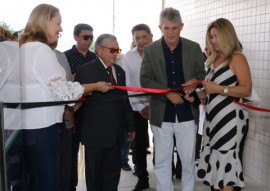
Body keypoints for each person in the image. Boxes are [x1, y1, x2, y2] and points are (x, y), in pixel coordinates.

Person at [19, 4, 111, 191]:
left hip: (31, 127)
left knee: (37, 180)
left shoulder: (25, 48)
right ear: (44, 21)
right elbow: (66, 93)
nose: (61, 28)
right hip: (44, 128)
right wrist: (95, 86)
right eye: (58, 23)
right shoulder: (41, 50)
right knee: (50, 181)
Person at [140, 7, 206, 191]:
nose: (170, 33)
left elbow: (202, 74)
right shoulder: (150, 50)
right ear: (160, 27)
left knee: (188, 161)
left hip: (187, 113)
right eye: (166, 28)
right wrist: (166, 92)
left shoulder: (193, 48)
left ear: (181, 27)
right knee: (162, 161)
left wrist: (195, 81)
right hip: (162, 113)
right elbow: (145, 80)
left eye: (174, 28)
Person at [75, 33, 136, 191]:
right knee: (95, 176)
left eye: (118, 50)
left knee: (112, 175)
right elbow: (77, 100)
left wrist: (130, 125)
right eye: (112, 50)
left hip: (116, 134)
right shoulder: (85, 71)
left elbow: (125, 100)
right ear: (99, 50)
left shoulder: (120, 71)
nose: (116, 54)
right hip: (95, 135)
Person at [196, 18, 252, 191]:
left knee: (226, 162)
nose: (213, 41)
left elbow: (246, 90)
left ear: (227, 36)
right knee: (216, 161)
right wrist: (200, 94)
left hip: (231, 119)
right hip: (213, 119)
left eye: (217, 36)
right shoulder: (213, 59)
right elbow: (211, 91)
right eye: (211, 37)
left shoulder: (237, 58)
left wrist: (220, 89)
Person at [64, 23, 96, 191]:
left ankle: (94, 184)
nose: (89, 40)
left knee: (93, 150)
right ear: (76, 37)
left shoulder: (95, 57)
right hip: (73, 109)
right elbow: (62, 83)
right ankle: (71, 185)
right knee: (71, 150)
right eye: (86, 37)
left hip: (92, 109)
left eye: (91, 37)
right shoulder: (65, 57)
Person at [123, 23, 153, 191]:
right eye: (137, 38)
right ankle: (143, 178)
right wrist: (142, 106)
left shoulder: (161, 55)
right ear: (133, 39)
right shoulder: (128, 57)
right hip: (136, 107)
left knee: (164, 141)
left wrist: (151, 105)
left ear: (151, 37)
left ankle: (167, 173)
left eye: (144, 37)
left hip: (160, 105)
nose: (141, 41)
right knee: (139, 144)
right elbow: (127, 85)